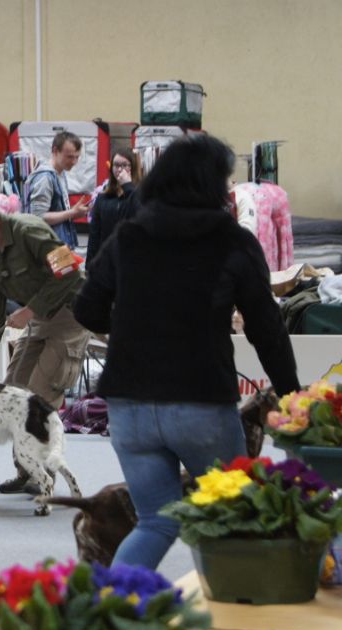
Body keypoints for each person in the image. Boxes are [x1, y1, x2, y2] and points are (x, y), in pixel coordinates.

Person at [73, 135, 301, 570]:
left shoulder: (128, 236)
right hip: (201, 402)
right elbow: (266, 329)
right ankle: (228, 619)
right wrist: (290, 395)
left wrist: (131, 330)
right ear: (212, 183)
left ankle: (111, 620)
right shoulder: (233, 241)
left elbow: (87, 309)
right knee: (226, 518)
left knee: (156, 522)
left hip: (129, 404)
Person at [0, 188, 90, 494]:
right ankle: (27, 472)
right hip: (39, 319)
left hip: (69, 315)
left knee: (40, 394)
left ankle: (44, 475)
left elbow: (70, 272)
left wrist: (31, 309)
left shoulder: (30, 230)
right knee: (13, 392)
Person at [23, 131, 90, 248]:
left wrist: (74, 213)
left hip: (58, 246)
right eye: (69, 157)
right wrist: (71, 212)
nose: (74, 162)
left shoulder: (60, 173)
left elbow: (58, 213)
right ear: (55, 151)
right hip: (48, 249)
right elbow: (38, 217)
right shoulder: (45, 178)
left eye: (77, 157)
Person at [86, 148, 140, 264]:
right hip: (107, 262)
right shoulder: (102, 198)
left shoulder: (139, 194)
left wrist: (127, 186)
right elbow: (94, 236)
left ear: (133, 167)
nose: (120, 170)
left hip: (132, 262)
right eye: (116, 165)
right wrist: (89, 266)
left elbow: (141, 212)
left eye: (125, 165)